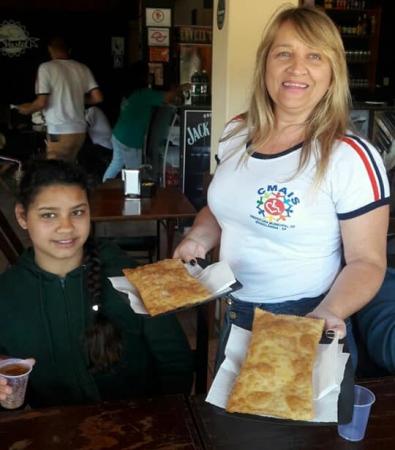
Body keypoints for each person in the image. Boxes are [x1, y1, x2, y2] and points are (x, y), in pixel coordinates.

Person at [173, 5, 389, 368]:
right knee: (232, 423)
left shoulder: (350, 155)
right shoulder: (236, 131)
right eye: (284, 53)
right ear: (266, 64)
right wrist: (199, 237)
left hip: (304, 318)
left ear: (333, 71)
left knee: (283, 427)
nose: (297, 68)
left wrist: (327, 312)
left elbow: (367, 262)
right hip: (234, 309)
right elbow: (222, 205)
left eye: (314, 56)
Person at [0, 159, 193, 408]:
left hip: (138, 424)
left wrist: (166, 417)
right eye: (49, 215)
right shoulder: (7, 295)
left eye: (77, 212)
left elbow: (175, 360)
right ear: (22, 216)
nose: (66, 227)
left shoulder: (133, 277)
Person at [15, 36, 103, 161]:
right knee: (70, 167)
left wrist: (27, 110)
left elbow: (41, 103)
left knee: (54, 167)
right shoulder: (82, 68)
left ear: (50, 49)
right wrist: (74, 98)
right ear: (69, 50)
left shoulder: (46, 68)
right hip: (79, 131)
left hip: (58, 131)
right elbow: (97, 98)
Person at [102, 63, 185, 182]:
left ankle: (103, 186)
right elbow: (169, 97)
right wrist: (181, 88)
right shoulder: (144, 94)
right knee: (134, 172)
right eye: (148, 74)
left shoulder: (131, 93)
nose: (150, 77)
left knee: (116, 163)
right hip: (130, 140)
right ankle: (133, 195)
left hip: (119, 135)